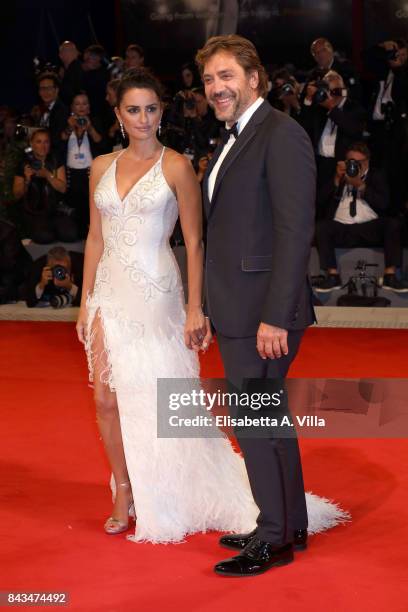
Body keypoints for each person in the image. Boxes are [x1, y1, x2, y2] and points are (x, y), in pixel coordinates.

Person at [75, 68, 259, 543]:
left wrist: (196, 307)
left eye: (151, 109)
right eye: (133, 110)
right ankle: (123, 487)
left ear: (162, 112)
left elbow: (195, 242)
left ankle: (164, 484)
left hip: (156, 292)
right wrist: (83, 301)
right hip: (107, 294)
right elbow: (95, 237)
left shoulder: (176, 165)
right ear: (117, 115)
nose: (143, 118)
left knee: (154, 395)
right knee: (105, 398)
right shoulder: (100, 166)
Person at [196, 34, 348, 577]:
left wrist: (273, 316)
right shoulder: (235, 137)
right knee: (269, 418)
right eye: (210, 79)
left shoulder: (278, 135)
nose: (217, 87)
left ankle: (273, 536)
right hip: (241, 308)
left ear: (254, 78)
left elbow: (293, 232)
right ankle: (289, 525)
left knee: (254, 421)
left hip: (262, 313)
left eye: (227, 76)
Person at [314, 142, 408, 293]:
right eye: (351, 162)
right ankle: (332, 276)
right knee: (321, 227)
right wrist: (336, 180)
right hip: (342, 227)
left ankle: (390, 276)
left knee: (392, 224)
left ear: (367, 162)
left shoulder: (376, 176)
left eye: (359, 163)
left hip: (369, 227)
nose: (354, 166)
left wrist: (360, 185)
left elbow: (384, 204)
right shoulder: (338, 176)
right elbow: (319, 201)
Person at [13, 128, 79, 243]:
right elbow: (17, 194)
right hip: (34, 212)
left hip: (56, 210)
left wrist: (48, 175)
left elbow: (63, 189)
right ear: (31, 144)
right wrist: (27, 180)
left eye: (46, 142)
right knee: (44, 237)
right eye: (39, 142)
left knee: (70, 235)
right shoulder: (24, 164)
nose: (43, 146)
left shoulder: (55, 160)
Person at [61, 92, 105, 237]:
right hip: (71, 174)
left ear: (89, 107)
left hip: (90, 173)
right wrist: (69, 128)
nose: (81, 107)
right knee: (75, 210)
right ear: (72, 107)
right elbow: (58, 142)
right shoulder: (66, 121)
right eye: (77, 103)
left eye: (84, 103)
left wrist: (90, 128)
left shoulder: (96, 121)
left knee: (91, 209)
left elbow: (102, 144)